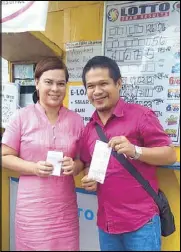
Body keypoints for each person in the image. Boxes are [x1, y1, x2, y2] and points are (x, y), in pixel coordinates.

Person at [80, 56, 177, 251]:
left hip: (141, 223)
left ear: (118, 83)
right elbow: (87, 163)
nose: (97, 91)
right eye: (90, 86)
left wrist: (136, 151)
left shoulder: (141, 116)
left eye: (103, 84)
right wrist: (90, 177)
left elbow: (170, 155)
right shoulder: (89, 129)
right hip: (107, 223)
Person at [2, 57, 85, 251]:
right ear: (37, 83)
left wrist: (76, 166)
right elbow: (4, 156)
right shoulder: (21, 117)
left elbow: (83, 159)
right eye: (49, 82)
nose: (55, 89)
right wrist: (34, 168)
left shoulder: (76, 121)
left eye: (61, 83)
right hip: (32, 211)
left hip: (64, 209)